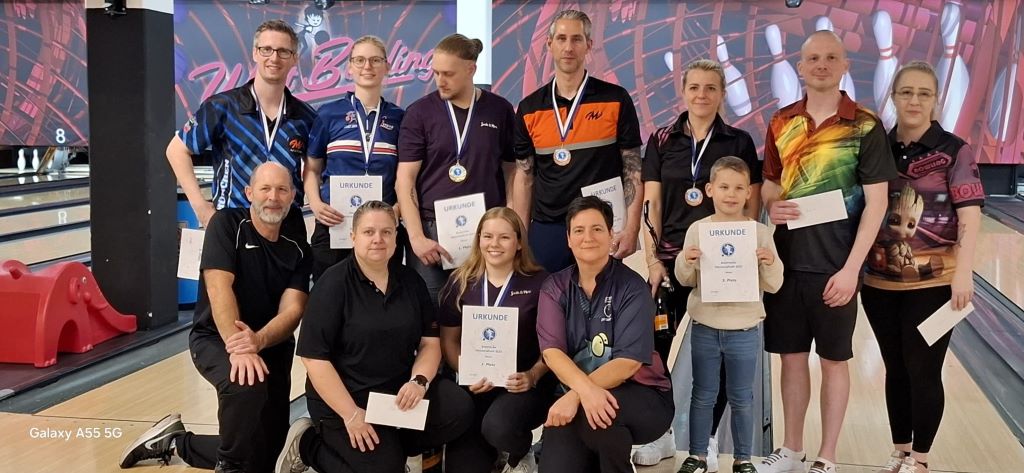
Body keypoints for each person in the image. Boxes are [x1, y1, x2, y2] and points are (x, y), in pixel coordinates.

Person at [758, 31, 897, 473]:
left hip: (836, 266)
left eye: (831, 57)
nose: (821, 64)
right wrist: (771, 204)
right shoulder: (781, 121)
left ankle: (827, 456)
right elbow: (770, 185)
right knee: (791, 358)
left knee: (835, 360)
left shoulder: (866, 125)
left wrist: (852, 270)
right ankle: (791, 450)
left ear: (844, 66)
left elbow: (876, 203)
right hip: (787, 264)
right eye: (814, 58)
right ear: (800, 67)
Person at [119, 162, 312, 473]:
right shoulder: (227, 225)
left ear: (292, 196)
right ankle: (230, 467)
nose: (273, 197)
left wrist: (258, 340)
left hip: (270, 344)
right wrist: (240, 347)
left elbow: (293, 309)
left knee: (267, 455)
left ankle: (174, 443)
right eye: (265, 189)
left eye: (281, 190)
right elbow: (218, 288)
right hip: (215, 337)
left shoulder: (297, 246)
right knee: (246, 384)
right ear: (249, 193)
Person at [274, 201, 473, 473]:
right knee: (382, 468)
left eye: (386, 232)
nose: (378, 239)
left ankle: (397, 449)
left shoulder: (411, 281)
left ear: (395, 238)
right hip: (346, 398)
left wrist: (419, 381)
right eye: (368, 232)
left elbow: (429, 342)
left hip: (395, 393)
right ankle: (308, 445)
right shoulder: (332, 285)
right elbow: (314, 359)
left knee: (458, 409)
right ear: (353, 237)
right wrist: (351, 414)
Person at [635, 58, 762, 469]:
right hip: (674, 260)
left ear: (722, 93)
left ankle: (704, 440)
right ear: (683, 91)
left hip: (723, 267)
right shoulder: (661, 139)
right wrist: (653, 260)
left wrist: (746, 259)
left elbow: (751, 204)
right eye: (694, 87)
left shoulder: (739, 141)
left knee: (721, 355)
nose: (702, 95)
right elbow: (651, 203)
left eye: (711, 87)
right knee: (656, 351)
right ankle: (661, 434)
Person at [861, 61, 983, 473]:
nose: (914, 100)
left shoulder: (954, 150)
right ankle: (900, 451)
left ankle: (921, 459)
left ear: (935, 100)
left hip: (934, 282)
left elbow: (969, 216)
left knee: (923, 369)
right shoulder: (877, 146)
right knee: (895, 368)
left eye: (924, 93)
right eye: (906, 92)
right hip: (878, 283)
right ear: (893, 96)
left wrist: (963, 272)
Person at [536, 196, 674, 473]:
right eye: (579, 230)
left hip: (642, 395)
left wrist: (576, 396)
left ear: (611, 235)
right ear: (568, 239)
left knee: (599, 414)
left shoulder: (632, 288)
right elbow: (552, 353)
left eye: (597, 229)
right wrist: (584, 392)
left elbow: (628, 363)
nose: (588, 237)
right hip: (579, 394)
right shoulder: (555, 287)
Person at [673, 157, 784, 473]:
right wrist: (686, 260)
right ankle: (697, 456)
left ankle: (743, 459)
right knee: (702, 395)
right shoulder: (698, 230)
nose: (731, 194)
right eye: (724, 187)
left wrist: (769, 263)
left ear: (749, 192)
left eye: (738, 188)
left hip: (744, 329)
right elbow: (685, 279)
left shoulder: (759, 233)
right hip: (705, 326)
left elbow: (775, 284)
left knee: (742, 398)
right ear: (710, 190)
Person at [512, 9, 644, 273]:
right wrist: (520, 236)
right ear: (549, 44)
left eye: (576, 39)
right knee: (548, 298)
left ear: (589, 45)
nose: (568, 47)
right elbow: (524, 177)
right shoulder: (529, 108)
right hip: (548, 228)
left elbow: (633, 170)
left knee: (601, 298)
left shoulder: (616, 99)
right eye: (561, 39)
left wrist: (631, 229)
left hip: (599, 225)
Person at [167, 20, 316, 240]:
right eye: (266, 49)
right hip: (233, 220)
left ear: (294, 58)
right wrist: (201, 207)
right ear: (255, 53)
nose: (274, 58)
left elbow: (315, 169)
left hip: (286, 223)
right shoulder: (223, 106)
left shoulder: (305, 116)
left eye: (283, 51)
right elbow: (176, 150)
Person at [397, 33, 517, 304]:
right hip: (432, 233)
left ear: (471, 69)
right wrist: (416, 237)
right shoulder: (419, 113)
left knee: (486, 309)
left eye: (448, 74)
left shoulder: (499, 110)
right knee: (432, 313)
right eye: (436, 73)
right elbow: (405, 180)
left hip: (487, 231)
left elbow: (513, 172)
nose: (440, 80)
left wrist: (512, 223)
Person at [438, 207, 554, 473]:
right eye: (488, 236)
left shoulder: (540, 283)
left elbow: (554, 344)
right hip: (477, 386)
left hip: (523, 385)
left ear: (519, 243)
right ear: (478, 239)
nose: (494, 244)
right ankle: (494, 450)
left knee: (499, 427)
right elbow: (449, 341)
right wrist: (465, 370)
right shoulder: (460, 282)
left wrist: (533, 375)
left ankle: (519, 451)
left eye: (504, 237)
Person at [304, 35, 406, 281]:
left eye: (375, 60)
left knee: (381, 293)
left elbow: (408, 175)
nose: (367, 66)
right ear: (349, 67)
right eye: (359, 60)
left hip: (382, 228)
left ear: (387, 67)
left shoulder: (400, 118)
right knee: (329, 294)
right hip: (334, 223)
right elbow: (312, 169)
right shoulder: (329, 114)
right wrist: (316, 204)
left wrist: (398, 209)